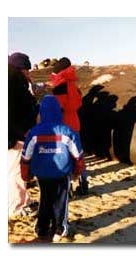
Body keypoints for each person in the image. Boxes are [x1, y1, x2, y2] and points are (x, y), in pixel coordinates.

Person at [21, 95, 85, 242]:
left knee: (45, 198)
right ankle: (59, 228)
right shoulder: (67, 132)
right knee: (60, 201)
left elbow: (26, 156)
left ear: (41, 112)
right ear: (59, 112)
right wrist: (77, 171)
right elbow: (78, 155)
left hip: (42, 174)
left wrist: (26, 174)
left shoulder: (34, 133)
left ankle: (41, 228)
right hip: (62, 173)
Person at [49, 57, 88, 194]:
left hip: (63, 125)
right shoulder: (73, 85)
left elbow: (58, 107)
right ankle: (84, 183)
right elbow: (78, 103)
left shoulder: (60, 87)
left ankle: (69, 186)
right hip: (75, 123)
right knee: (78, 155)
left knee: (65, 156)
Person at [8, 52, 39, 217]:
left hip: (15, 134)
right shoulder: (13, 82)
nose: (29, 72)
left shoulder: (13, 80)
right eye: (27, 69)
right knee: (16, 172)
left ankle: (23, 199)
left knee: (16, 171)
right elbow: (10, 113)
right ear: (20, 68)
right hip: (15, 137)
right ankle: (16, 207)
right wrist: (21, 132)